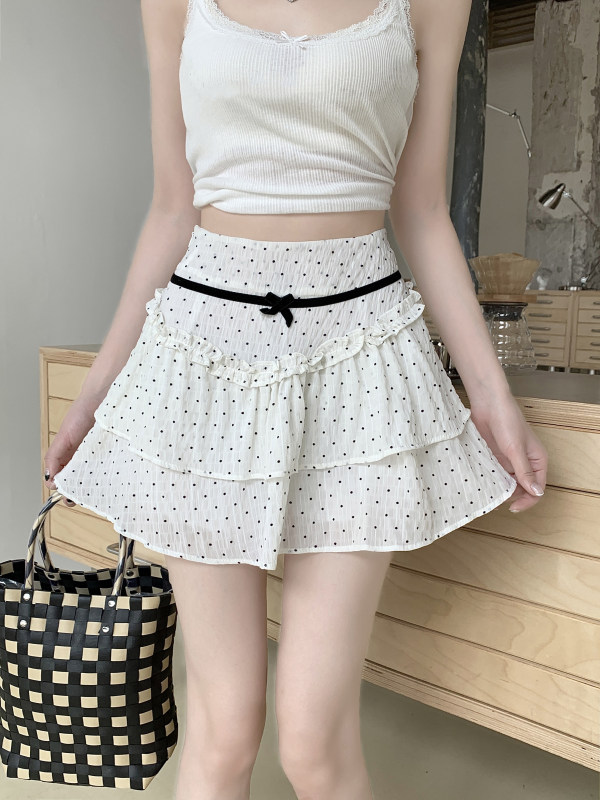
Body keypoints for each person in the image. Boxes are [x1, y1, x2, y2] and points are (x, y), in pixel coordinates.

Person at [44, 1, 548, 798]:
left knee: (314, 741)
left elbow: (421, 210)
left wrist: (493, 397)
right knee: (223, 728)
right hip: (202, 362)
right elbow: (173, 206)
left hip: (362, 359)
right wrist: (92, 399)